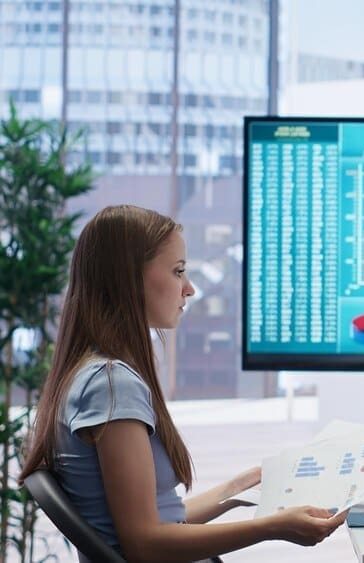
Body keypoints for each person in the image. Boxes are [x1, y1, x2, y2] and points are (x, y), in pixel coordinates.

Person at [20, 205, 345, 562]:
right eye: (178, 272)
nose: (188, 289)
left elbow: (163, 519)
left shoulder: (92, 374)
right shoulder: (110, 386)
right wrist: (274, 527)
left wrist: (244, 486)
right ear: (128, 279)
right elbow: (145, 543)